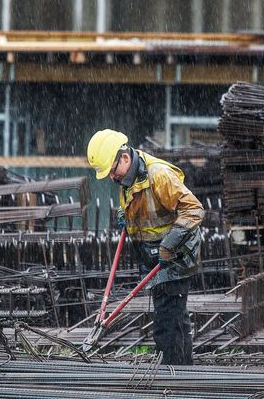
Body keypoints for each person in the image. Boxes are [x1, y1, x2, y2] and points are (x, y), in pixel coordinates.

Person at [87, 129, 204, 365]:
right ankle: (184, 373)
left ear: (125, 158)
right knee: (176, 317)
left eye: (111, 170)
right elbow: (146, 207)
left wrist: (170, 244)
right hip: (155, 253)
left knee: (165, 324)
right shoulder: (126, 178)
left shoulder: (158, 175)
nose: (111, 177)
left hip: (178, 254)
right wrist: (126, 216)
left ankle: (170, 375)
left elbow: (194, 209)